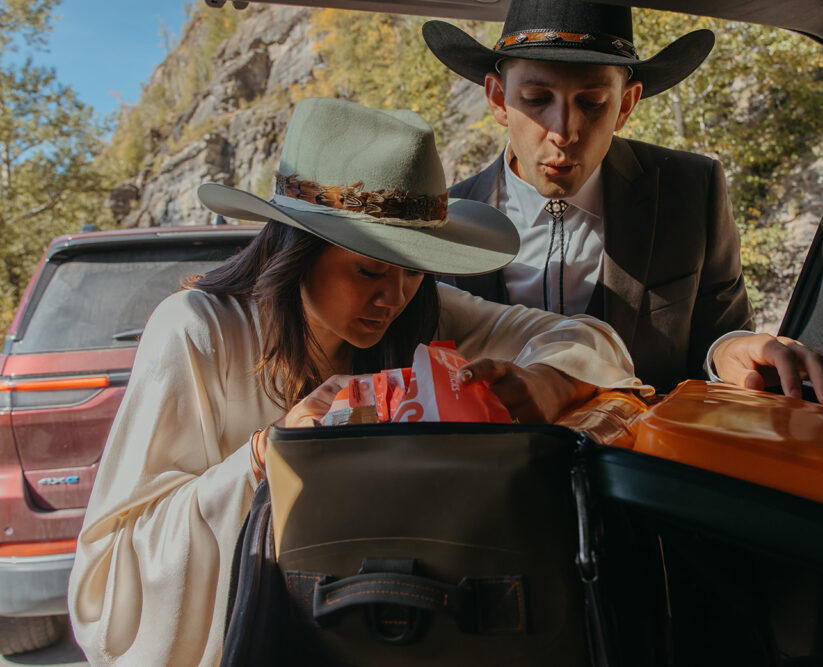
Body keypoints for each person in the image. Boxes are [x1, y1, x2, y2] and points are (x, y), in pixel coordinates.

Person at [67, 97, 648, 666]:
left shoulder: (426, 313)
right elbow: (110, 578)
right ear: (295, 247)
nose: (392, 299)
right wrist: (266, 458)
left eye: (415, 270)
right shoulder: (199, 331)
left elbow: (590, 340)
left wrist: (546, 383)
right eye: (369, 269)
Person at [422, 0, 823, 406]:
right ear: (498, 99)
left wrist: (736, 353)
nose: (564, 132)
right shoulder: (445, 219)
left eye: (592, 103)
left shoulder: (690, 189)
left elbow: (720, 333)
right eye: (536, 100)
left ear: (625, 105)